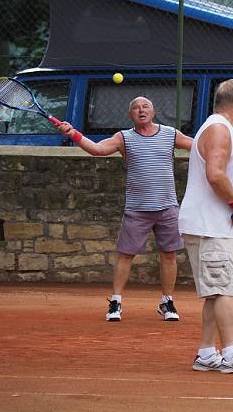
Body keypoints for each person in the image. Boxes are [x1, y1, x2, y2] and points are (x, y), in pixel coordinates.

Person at [57, 96, 193, 322]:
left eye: (145, 106)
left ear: (153, 111)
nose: (141, 110)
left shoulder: (170, 134)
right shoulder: (124, 138)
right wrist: (74, 134)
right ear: (131, 115)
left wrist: (220, 135)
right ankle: (116, 302)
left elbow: (197, 146)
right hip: (137, 209)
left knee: (168, 255)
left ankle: (167, 301)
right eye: (136, 108)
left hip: (168, 207)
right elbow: (97, 149)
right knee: (126, 255)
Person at [179, 79, 233, 373]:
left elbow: (221, 178)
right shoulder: (218, 128)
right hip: (211, 226)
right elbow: (215, 175)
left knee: (215, 291)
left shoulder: (218, 127)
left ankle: (206, 353)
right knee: (224, 289)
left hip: (210, 224)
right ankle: (230, 353)